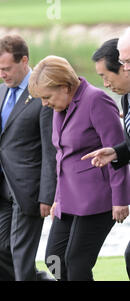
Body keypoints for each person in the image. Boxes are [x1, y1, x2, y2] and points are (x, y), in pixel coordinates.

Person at [28, 55, 130, 281]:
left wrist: (121, 199)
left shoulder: (97, 101)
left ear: (64, 86)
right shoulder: (59, 108)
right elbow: (62, 157)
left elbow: (117, 151)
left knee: (76, 262)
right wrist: (57, 198)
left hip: (98, 199)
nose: (45, 103)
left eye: (47, 97)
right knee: (54, 257)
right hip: (68, 199)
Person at [0, 34, 56, 281]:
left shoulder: (42, 94)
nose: (1, 74)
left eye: (7, 68)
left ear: (24, 61)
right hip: (0, 190)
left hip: (29, 191)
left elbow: (49, 150)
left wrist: (47, 195)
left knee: (20, 255)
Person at [83, 36, 130, 279]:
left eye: (105, 76)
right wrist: (116, 151)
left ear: (122, 68)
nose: (105, 83)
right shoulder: (127, 98)